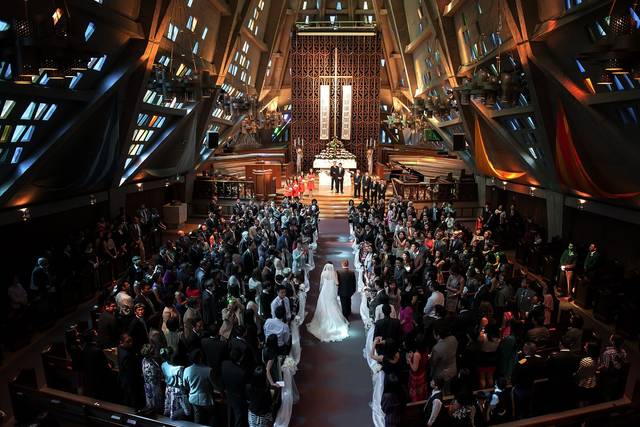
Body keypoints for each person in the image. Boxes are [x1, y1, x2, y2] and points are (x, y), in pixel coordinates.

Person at [306, 262, 349, 342]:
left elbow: (321, 283)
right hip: (331, 291)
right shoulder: (334, 273)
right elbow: (337, 283)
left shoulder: (323, 273)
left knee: (323, 304)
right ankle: (335, 320)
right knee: (333, 304)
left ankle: (323, 319)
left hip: (324, 291)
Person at [183, 349, 216, 426]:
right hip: (206, 400)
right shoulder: (208, 370)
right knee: (212, 416)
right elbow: (215, 386)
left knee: (197, 418)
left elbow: (185, 385)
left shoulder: (187, 370)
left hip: (193, 399)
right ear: (201, 358)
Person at [221, 348, 249, 427]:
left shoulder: (224, 364)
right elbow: (243, 387)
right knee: (238, 416)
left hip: (228, 393)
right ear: (240, 358)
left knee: (230, 414)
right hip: (238, 396)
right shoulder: (241, 372)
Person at [141, 343, 164, 413]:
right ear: (150, 352)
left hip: (148, 384)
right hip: (153, 386)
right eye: (153, 350)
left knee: (150, 402)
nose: (155, 351)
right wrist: (161, 375)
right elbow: (155, 376)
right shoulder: (151, 364)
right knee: (155, 403)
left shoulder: (144, 360)